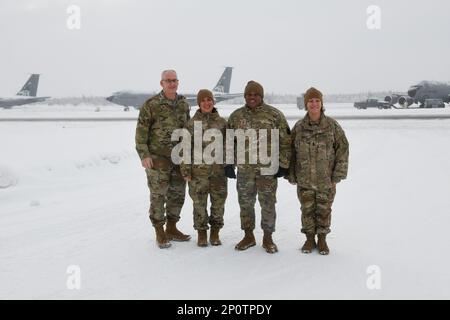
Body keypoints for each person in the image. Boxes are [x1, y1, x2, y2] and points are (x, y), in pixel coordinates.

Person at [227, 81, 291, 254]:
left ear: (261, 96)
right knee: (245, 204)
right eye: (249, 94)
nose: (252, 97)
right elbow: (228, 142)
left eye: (256, 94)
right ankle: (248, 236)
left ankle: (268, 238)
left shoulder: (274, 115)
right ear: (245, 96)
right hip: (244, 171)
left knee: (268, 204)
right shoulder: (236, 116)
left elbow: (285, 141)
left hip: (267, 171)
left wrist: (283, 164)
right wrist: (228, 163)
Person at [288, 87, 349, 255]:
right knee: (306, 210)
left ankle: (322, 239)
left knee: (324, 210)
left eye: (317, 101)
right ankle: (309, 239)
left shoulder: (332, 126)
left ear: (321, 104)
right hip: (305, 179)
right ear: (306, 104)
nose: (314, 104)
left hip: (326, 179)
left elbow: (343, 149)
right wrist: (291, 174)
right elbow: (290, 152)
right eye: (310, 101)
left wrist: (338, 174)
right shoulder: (299, 127)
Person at [135, 69, 191, 249]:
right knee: (158, 196)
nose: (172, 83)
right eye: (168, 80)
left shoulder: (183, 104)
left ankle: (172, 228)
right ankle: (159, 230)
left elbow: (187, 129)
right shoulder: (151, 104)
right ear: (162, 83)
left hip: (178, 158)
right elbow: (141, 131)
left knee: (177, 194)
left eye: (174, 80)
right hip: (158, 159)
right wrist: (144, 155)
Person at [180, 89, 229, 247]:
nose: (207, 103)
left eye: (209, 100)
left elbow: (229, 146)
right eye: (203, 101)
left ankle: (215, 232)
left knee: (218, 203)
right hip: (197, 173)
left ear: (213, 102)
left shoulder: (222, 123)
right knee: (199, 204)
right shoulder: (191, 125)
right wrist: (186, 170)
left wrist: (229, 165)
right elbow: (184, 149)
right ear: (199, 103)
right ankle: (201, 232)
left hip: (218, 173)